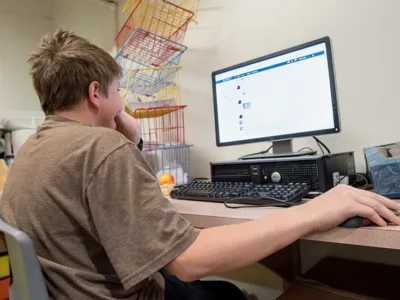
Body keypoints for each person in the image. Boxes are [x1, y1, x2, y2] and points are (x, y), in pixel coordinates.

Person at [1, 29, 399, 300]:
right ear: (95, 93)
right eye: (117, 91)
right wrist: (317, 209)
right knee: (225, 292)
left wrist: (127, 133)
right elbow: (187, 262)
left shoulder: (32, 151)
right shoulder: (100, 149)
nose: (121, 103)